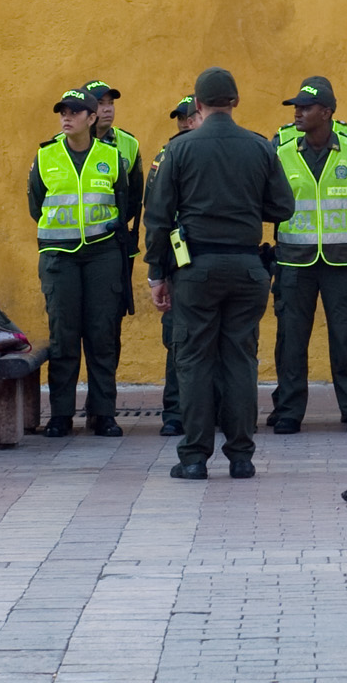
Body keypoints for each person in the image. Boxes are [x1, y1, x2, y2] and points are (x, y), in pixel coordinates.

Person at [145, 67, 295, 479]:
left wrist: (157, 273)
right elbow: (284, 207)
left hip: (196, 270)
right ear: (235, 102)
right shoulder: (260, 147)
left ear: (197, 104)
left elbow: (158, 218)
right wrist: (247, 208)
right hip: (248, 268)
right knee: (241, 360)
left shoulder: (180, 149)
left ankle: (194, 458)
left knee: (193, 361)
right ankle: (242, 457)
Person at [268, 76, 347, 434]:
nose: (298, 112)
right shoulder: (281, 145)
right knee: (290, 339)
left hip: (342, 261)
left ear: (327, 112)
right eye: (296, 107)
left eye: (306, 107)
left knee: (346, 337)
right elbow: (266, 197)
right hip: (293, 260)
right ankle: (288, 411)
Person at [28, 88, 136, 438]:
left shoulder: (111, 156)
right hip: (59, 255)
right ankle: (61, 414)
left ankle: (102, 413)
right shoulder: (45, 156)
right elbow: (36, 204)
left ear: (91, 118)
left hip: (102, 253)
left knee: (102, 334)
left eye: (75, 112)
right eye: (63, 111)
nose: (66, 117)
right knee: (64, 334)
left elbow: (127, 202)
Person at [154, 94, 199, 437]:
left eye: (190, 116)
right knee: (177, 340)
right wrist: (157, 271)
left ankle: (219, 409)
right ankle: (175, 411)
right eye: (180, 118)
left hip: (211, 256)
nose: (185, 123)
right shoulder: (163, 159)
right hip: (178, 262)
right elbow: (154, 216)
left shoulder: (216, 153)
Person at [85, 79, 145, 324]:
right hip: (73, 244)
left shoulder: (128, 143)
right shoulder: (61, 144)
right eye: (101, 103)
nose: (108, 109)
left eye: (111, 103)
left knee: (109, 321)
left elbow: (135, 196)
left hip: (113, 243)